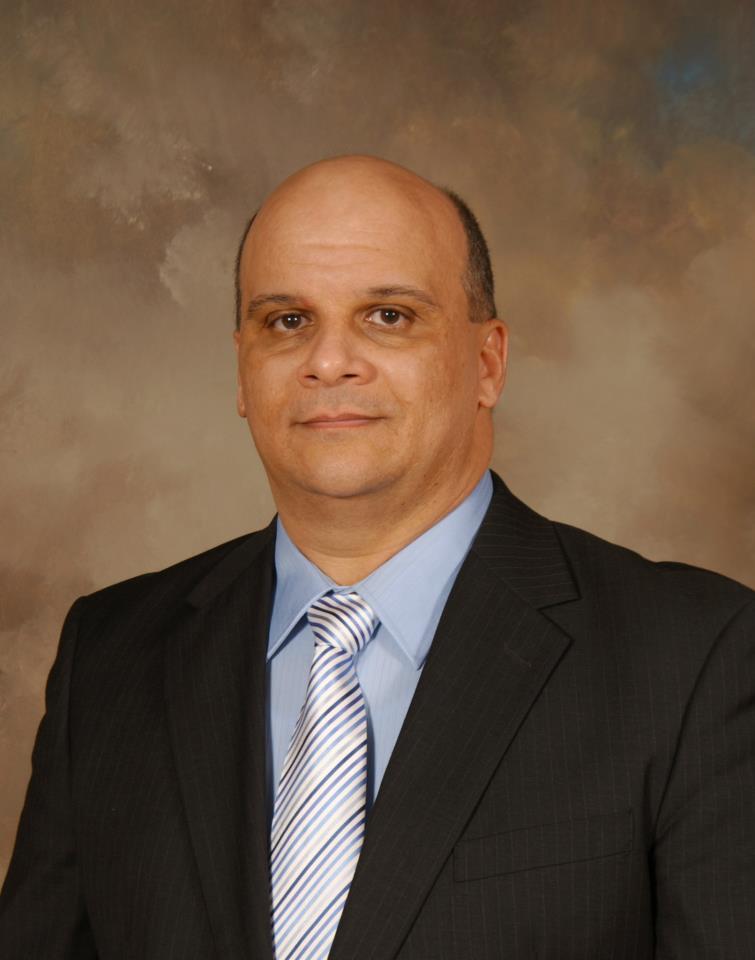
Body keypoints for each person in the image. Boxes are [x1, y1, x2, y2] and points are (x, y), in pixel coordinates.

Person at [0, 155, 753, 960]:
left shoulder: (694, 656)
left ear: (487, 363)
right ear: (243, 371)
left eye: (388, 316)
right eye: (286, 321)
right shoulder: (111, 654)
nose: (329, 362)